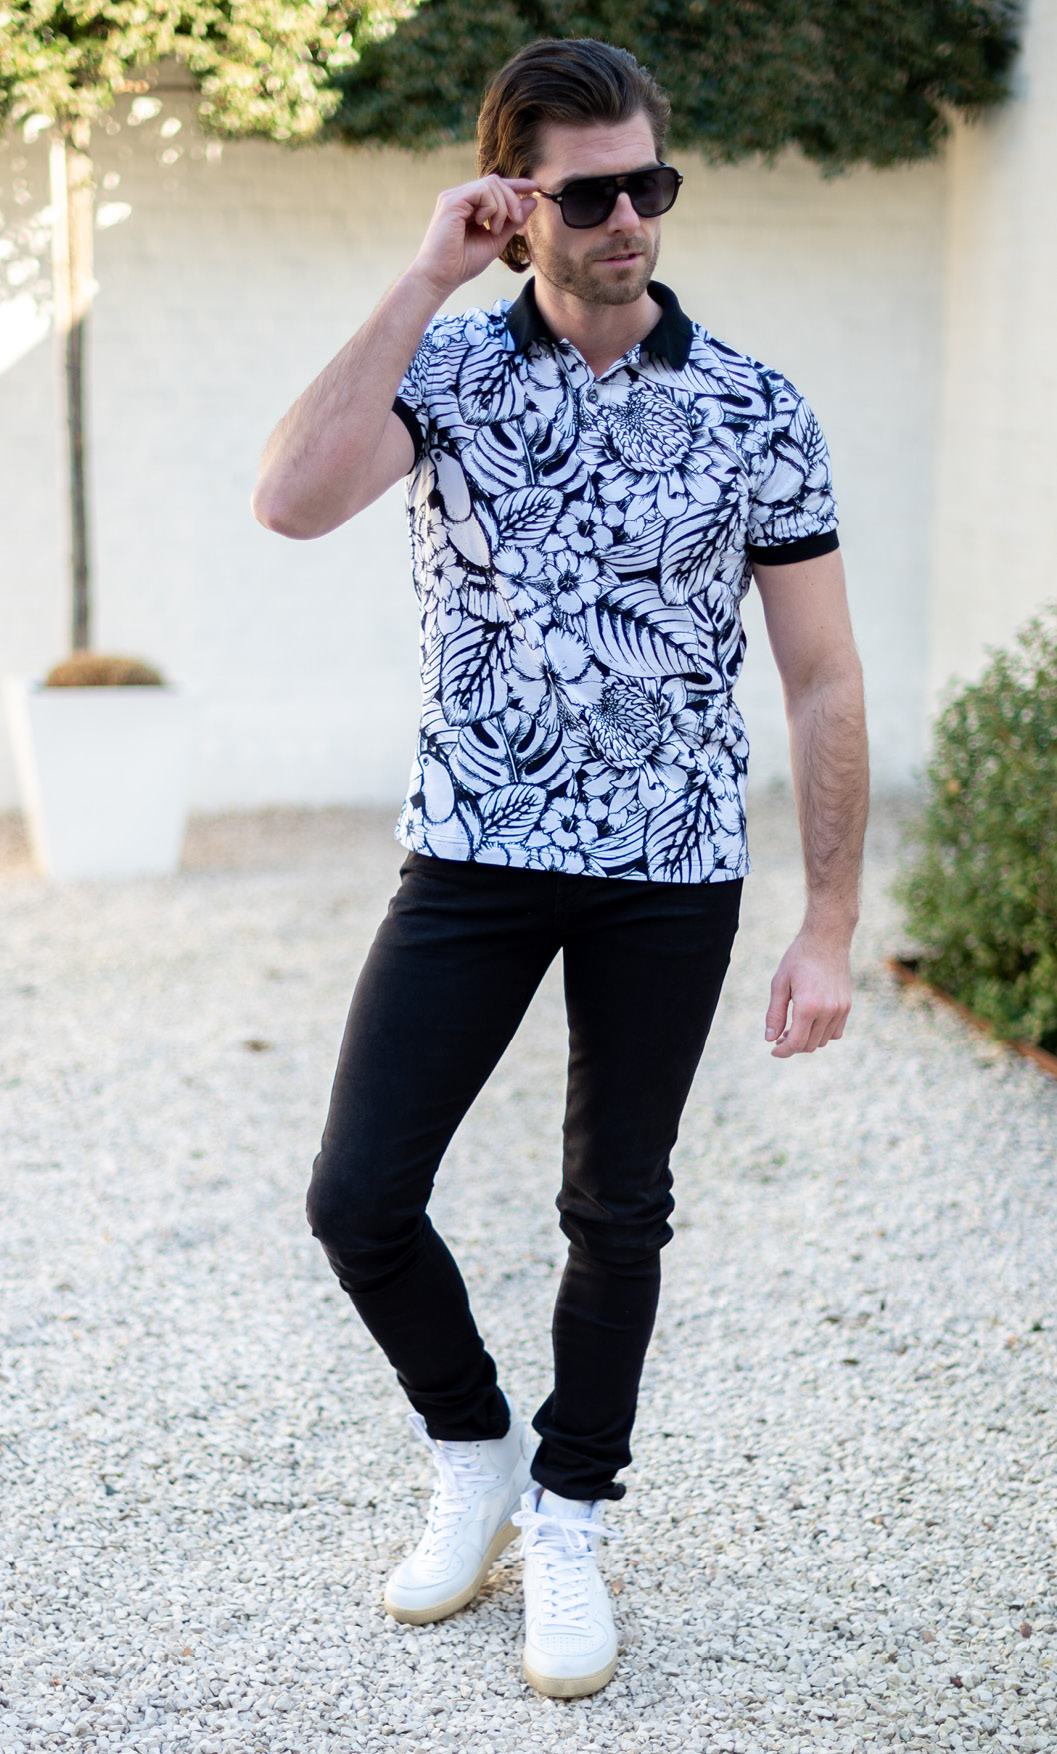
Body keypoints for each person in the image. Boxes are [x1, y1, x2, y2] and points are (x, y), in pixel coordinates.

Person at [252, 36, 868, 1700]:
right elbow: (289, 500)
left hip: (669, 865)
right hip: (472, 844)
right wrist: (419, 279)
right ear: (513, 202)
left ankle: (573, 1513)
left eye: (647, 185)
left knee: (617, 1205)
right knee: (357, 1195)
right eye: (586, 195)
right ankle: (476, 1453)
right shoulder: (446, 371)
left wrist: (827, 921)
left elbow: (820, 676)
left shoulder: (754, 406)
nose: (626, 221)